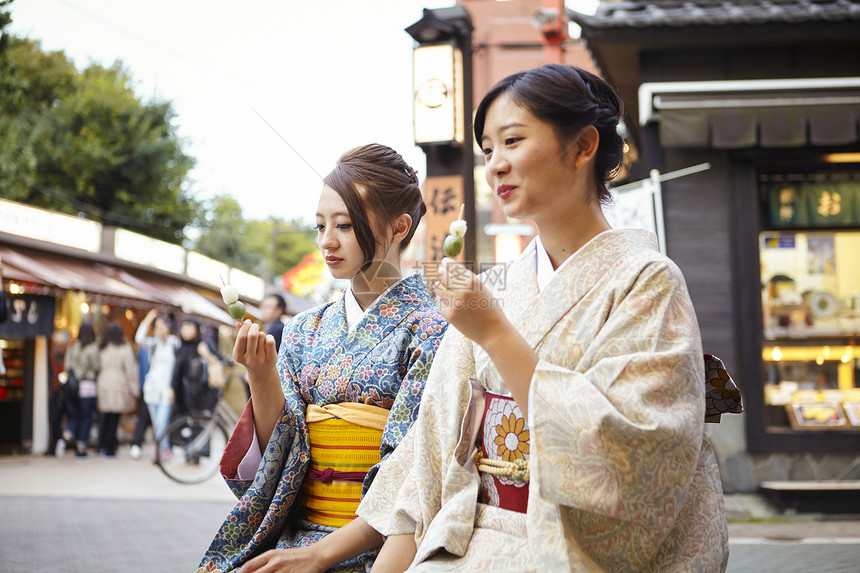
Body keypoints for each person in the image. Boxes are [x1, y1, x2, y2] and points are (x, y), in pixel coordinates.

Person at [359, 64, 730, 571]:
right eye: (488, 151)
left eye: (512, 141)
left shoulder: (647, 281)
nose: (496, 166)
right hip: (467, 540)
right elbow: (430, 457)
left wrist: (494, 333)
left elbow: (637, 452)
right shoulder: (494, 291)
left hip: (563, 549)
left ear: (582, 147)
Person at [198, 144, 449, 573]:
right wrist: (260, 375)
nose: (326, 241)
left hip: (383, 545)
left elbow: (413, 477)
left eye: (345, 226)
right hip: (299, 535)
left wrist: (321, 555)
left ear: (399, 227)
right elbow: (282, 452)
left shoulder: (432, 330)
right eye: (319, 226)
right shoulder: (303, 330)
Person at [131, 309, 179, 461]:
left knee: (162, 422)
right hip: (152, 389)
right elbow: (139, 338)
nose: (160, 330)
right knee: (157, 424)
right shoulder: (152, 344)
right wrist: (149, 317)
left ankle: (161, 450)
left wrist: (173, 386)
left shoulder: (174, 344)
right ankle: (163, 450)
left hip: (166, 389)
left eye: (162, 326)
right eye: (157, 327)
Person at [96, 320, 139, 459]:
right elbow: (130, 370)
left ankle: (101, 445)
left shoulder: (102, 348)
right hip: (118, 385)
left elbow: (96, 367)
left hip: (103, 383)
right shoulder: (124, 349)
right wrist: (135, 389)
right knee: (113, 419)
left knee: (104, 417)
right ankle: (109, 447)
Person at [66, 323, 100, 459]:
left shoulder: (73, 347)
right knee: (86, 418)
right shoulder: (93, 348)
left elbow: (68, 366)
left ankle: (70, 430)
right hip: (88, 386)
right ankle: (81, 446)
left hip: (73, 387)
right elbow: (97, 367)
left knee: (76, 415)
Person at [46, 329, 74, 456]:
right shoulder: (51, 355)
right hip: (56, 391)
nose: (59, 347)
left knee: (71, 417)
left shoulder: (71, 355)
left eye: (61, 345)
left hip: (68, 391)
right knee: (54, 420)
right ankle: (54, 444)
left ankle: (67, 443)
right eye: (57, 345)